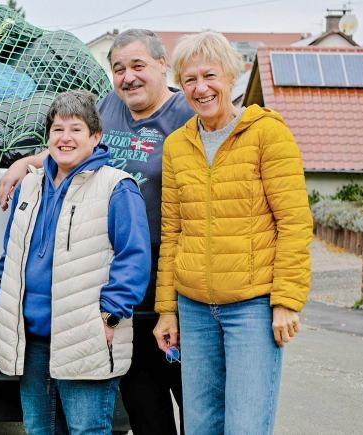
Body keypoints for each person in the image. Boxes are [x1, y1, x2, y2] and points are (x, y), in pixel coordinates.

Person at [0, 29, 194, 434]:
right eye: (119, 69)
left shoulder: (186, 113)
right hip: (117, 297)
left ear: (163, 64)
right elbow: (73, 139)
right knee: (145, 410)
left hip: (172, 288)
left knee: (197, 408)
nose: (128, 77)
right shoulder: (109, 106)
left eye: (138, 66)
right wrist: (25, 163)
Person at [153, 31, 313, 435]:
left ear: (232, 75)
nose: (200, 88)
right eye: (189, 79)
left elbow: (294, 222)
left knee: (246, 425)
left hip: (252, 307)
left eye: (210, 76)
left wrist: (286, 300)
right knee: (200, 425)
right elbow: (173, 232)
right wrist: (167, 309)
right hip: (193, 308)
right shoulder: (176, 145)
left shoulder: (267, 133)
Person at [0, 90, 151, 434]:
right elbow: (11, 252)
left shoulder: (117, 187)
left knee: (86, 430)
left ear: (95, 136)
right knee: (40, 429)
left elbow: (134, 259)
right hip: (31, 339)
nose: (65, 138)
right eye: (57, 129)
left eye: (76, 129)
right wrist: (3, 300)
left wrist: (110, 315)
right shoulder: (29, 185)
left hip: (85, 336)